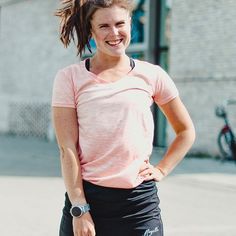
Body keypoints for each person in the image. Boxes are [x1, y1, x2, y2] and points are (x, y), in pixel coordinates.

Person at [52, 1, 195, 236]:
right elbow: (66, 148)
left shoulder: (152, 75)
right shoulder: (70, 78)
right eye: (104, 26)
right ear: (91, 30)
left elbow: (186, 131)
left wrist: (162, 169)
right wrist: (79, 207)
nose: (114, 33)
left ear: (130, 23)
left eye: (120, 23)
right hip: (88, 200)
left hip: (139, 204)